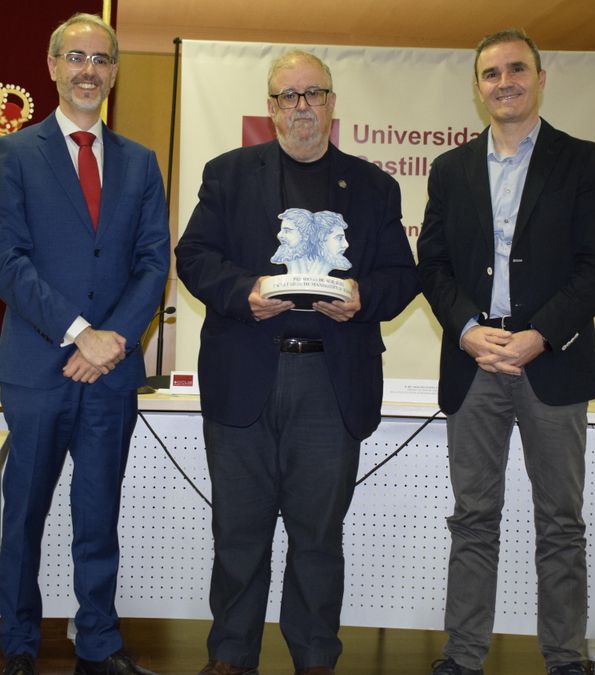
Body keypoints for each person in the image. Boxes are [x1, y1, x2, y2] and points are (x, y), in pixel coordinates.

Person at [174, 50, 419, 675]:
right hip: (244, 378)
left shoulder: (374, 186)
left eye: (312, 94)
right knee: (238, 535)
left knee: (317, 536)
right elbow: (194, 256)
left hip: (329, 384)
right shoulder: (228, 174)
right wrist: (243, 294)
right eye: (287, 96)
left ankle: (315, 659)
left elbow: (402, 275)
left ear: (332, 104)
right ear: (271, 107)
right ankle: (230, 658)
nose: (301, 107)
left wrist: (365, 300)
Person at [417, 29, 595, 675]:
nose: (503, 82)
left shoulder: (581, 160)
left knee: (560, 521)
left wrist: (539, 334)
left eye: (515, 70)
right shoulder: (450, 169)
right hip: (475, 359)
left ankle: (566, 659)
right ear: (477, 88)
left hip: (550, 360)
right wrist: (468, 329)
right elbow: (436, 264)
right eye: (490, 74)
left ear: (539, 77)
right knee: (474, 518)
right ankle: (463, 656)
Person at [0, 12, 169, 675]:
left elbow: (153, 264)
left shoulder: (140, 164)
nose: (89, 70)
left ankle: (97, 644)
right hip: (38, 367)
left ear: (115, 72)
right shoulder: (15, 153)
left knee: (98, 514)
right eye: (76, 57)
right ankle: (19, 645)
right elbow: (5, 261)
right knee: (24, 516)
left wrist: (113, 339)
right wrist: (78, 332)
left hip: (111, 371)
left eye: (101, 59)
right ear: (53, 66)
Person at [270, 208, 351, 275]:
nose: (279, 235)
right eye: (339, 238)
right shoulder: (295, 262)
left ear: (306, 236)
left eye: (287, 231)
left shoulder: (321, 265)